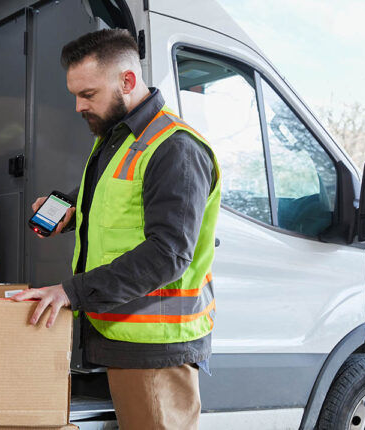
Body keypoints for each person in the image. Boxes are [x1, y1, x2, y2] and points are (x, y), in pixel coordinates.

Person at [11, 29, 221, 430]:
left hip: (157, 345)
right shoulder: (121, 136)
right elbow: (117, 198)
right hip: (125, 337)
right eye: (75, 94)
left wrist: (71, 291)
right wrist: (72, 209)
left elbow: (168, 254)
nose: (78, 106)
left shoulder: (175, 147)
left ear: (127, 81)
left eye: (88, 94)